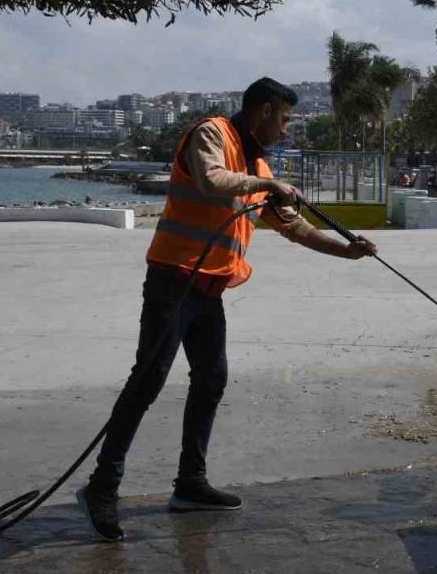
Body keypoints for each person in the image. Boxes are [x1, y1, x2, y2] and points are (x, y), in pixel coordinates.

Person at [77, 78, 377, 542]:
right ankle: (102, 487)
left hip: (208, 288)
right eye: (284, 119)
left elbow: (293, 228)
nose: (286, 129)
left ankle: (190, 484)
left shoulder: (257, 163)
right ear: (263, 110)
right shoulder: (211, 134)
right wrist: (267, 181)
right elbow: (211, 180)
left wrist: (346, 250)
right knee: (148, 379)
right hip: (173, 281)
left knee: (212, 377)